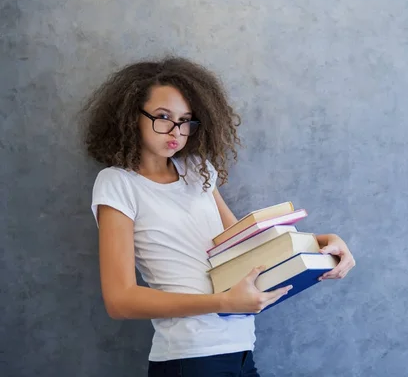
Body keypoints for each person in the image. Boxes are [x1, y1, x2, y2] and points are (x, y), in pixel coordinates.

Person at [82, 56, 356, 376]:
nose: (176, 131)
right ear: (132, 118)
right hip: (189, 357)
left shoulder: (199, 172)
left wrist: (325, 241)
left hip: (240, 350)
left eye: (186, 120)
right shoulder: (118, 183)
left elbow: (242, 243)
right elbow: (121, 300)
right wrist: (223, 304)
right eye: (163, 117)